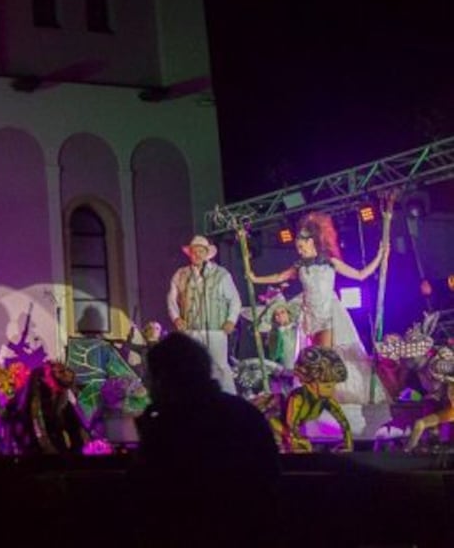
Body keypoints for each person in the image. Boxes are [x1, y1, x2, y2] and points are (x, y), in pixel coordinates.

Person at [135, 332, 279, 546]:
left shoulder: (170, 426)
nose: (148, 387)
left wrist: (148, 439)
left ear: (164, 379)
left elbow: (151, 500)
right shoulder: (244, 413)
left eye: (150, 378)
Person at [243, 212, 387, 403]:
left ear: (311, 242)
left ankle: (332, 395)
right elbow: (279, 276)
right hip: (310, 316)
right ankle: (318, 395)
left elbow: (360, 275)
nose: (299, 251)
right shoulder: (300, 266)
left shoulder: (330, 262)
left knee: (325, 357)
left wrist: (380, 256)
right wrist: (255, 278)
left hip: (328, 312)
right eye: (297, 248)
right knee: (313, 358)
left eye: (301, 247)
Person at [167, 235, 241, 394]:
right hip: (191, 328)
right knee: (191, 364)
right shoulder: (181, 274)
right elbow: (171, 299)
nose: (198, 254)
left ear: (207, 253)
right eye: (195, 251)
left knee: (220, 366)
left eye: (201, 251)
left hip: (215, 329)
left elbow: (235, 299)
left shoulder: (221, 274)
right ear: (190, 253)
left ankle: (229, 399)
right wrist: (176, 317)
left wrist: (230, 320)